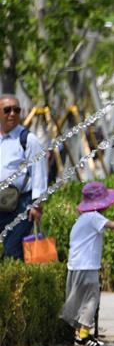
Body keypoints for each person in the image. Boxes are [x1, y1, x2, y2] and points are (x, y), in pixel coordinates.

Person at [60, 182, 114, 346]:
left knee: (77, 300)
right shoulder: (94, 217)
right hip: (87, 266)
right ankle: (84, 335)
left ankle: (74, 333)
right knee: (91, 299)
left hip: (75, 265)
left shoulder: (83, 218)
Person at [0, 94, 48, 259]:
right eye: (7, 110)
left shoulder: (28, 139)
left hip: (21, 204)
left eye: (16, 110)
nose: (12, 113)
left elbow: (39, 173)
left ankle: (16, 282)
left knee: (12, 250)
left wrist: (37, 204)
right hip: (1, 202)